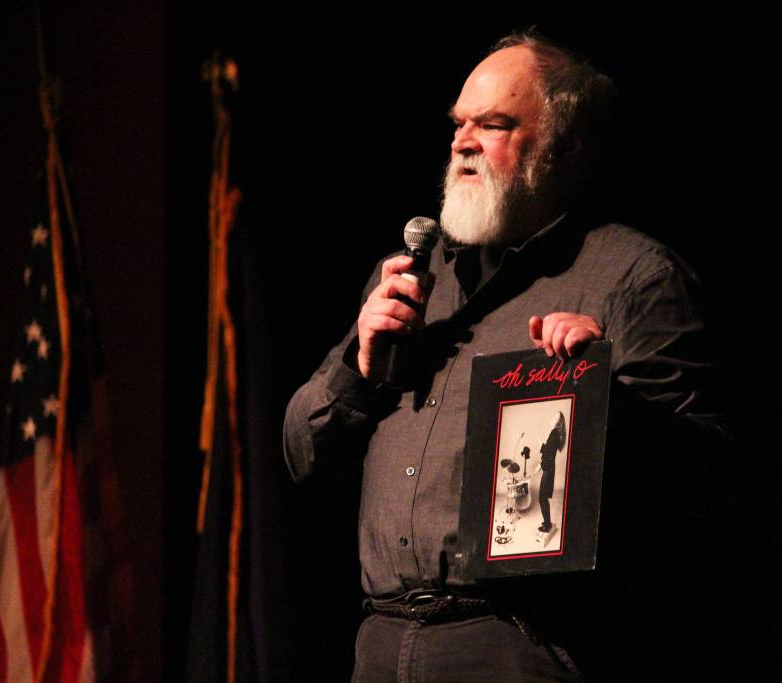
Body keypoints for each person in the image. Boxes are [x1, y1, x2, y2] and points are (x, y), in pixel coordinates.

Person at [284, 30, 727, 681]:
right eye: (458, 123)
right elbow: (301, 457)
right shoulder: (410, 279)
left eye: (493, 124)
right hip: (380, 645)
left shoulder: (630, 274)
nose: (463, 141)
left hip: (519, 646)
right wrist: (360, 365)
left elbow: (707, 484)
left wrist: (603, 400)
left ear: (563, 147)